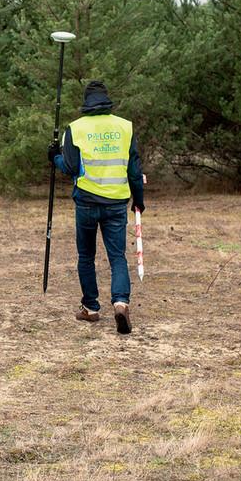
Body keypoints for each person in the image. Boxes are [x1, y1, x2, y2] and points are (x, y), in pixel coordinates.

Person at [48, 80, 145, 334]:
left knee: (86, 257)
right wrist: (139, 200)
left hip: (87, 203)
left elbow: (70, 168)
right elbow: (135, 170)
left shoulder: (75, 128)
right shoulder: (124, 127)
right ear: (107, 99)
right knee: (117, 258)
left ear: (86, 101)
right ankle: (121, 303)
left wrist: (55, 155)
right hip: (116, 204)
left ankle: (90, 308)